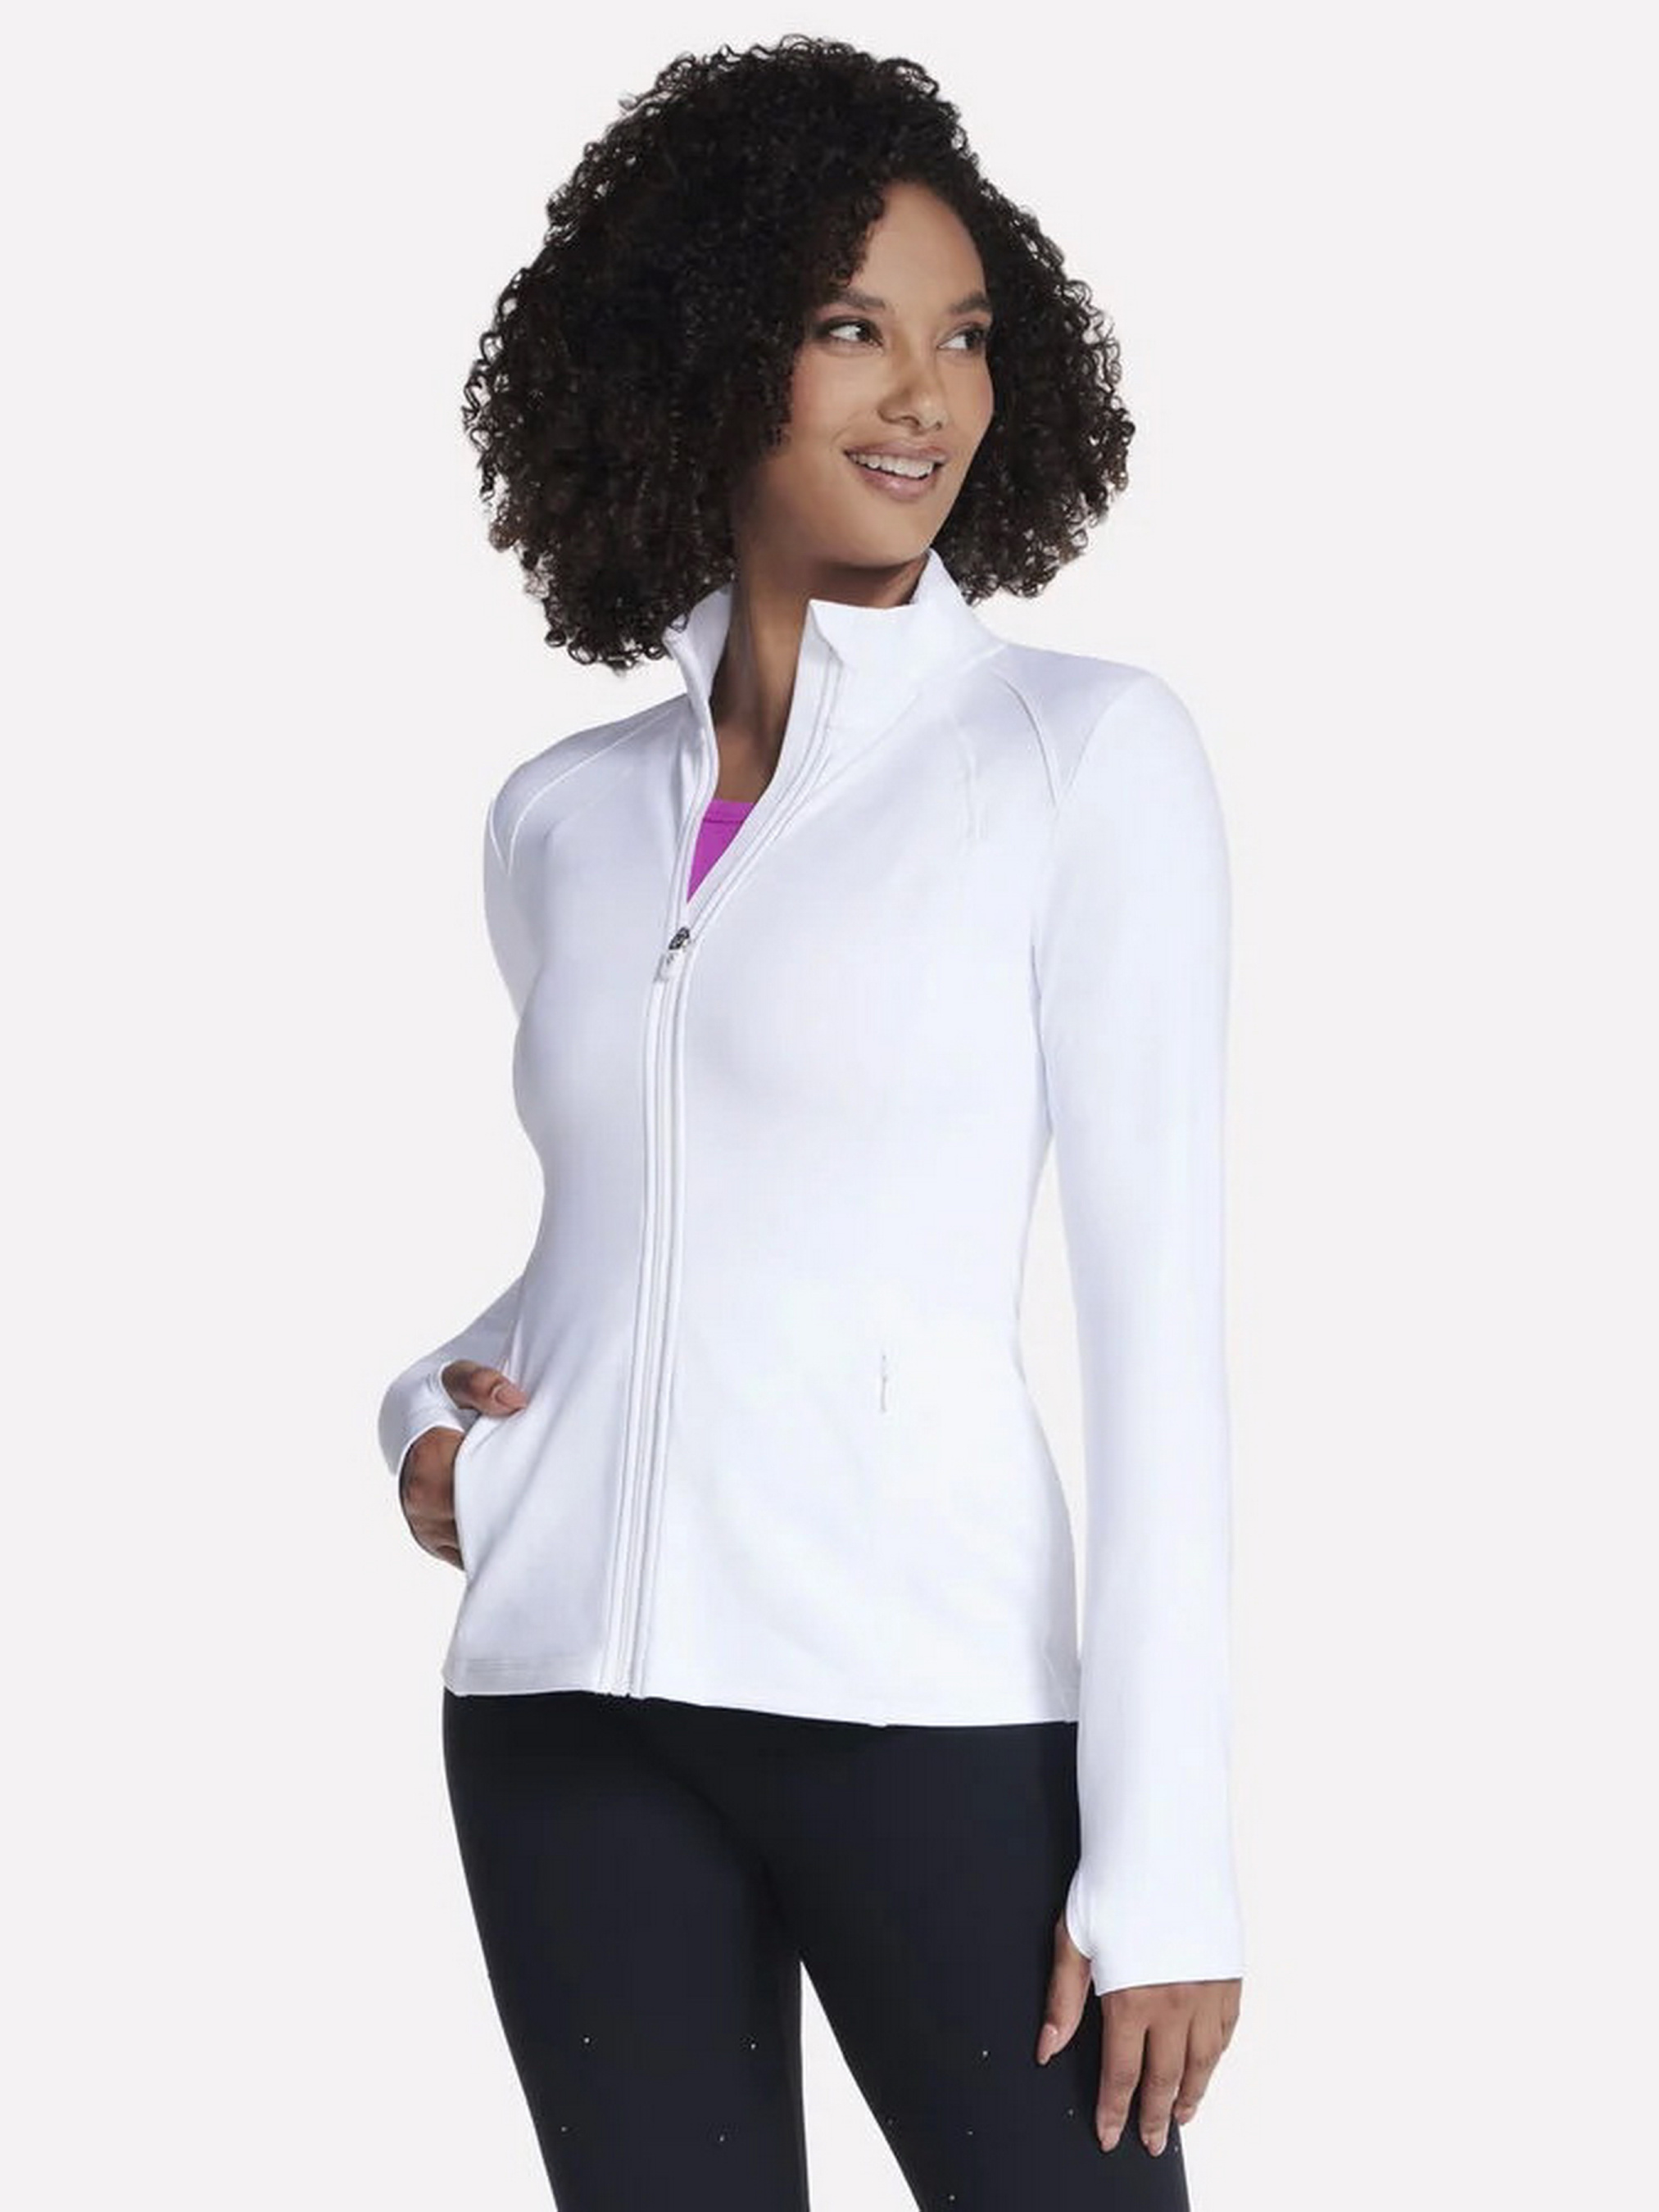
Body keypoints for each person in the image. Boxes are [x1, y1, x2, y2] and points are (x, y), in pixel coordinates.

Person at [376, 34, 1244, 2211]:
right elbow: (619, 1245)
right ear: (695, 357)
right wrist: (430, 1416)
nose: (922, 395)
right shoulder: (563, 817)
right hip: (565, 1717)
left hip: (922, 1706)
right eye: (851, 327)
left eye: (965, 336)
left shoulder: (1079, 759)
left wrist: (1165, 1858)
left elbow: (1159, 1328)